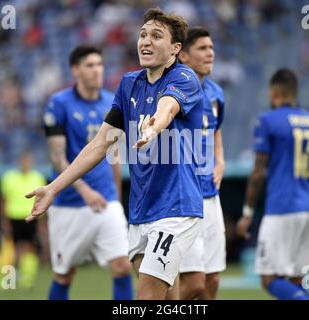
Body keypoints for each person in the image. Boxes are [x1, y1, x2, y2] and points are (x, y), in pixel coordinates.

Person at [25, 8, 205, 300]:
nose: (145, 41)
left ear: (175, 49)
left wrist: (153, 128)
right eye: (143, 34)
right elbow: (99, 145)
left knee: (146, 297)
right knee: (168, 296)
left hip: (177, 208)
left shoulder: (184, 77)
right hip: (141, 210)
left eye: (156, 36)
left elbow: (167, 107)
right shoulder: (128, 84)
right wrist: (53, 188)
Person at [235, 68, 309, 300]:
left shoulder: (267, 121)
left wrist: (248, 212)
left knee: (269, 278)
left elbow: (258, 172)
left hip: (283, 208)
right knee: (297, 279)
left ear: (275, 93)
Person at [43, 45, 133, 300]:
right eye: (90, 65)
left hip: (106, 201)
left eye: (100, 64)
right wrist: (84, 190)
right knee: (64, 274)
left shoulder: (111, 102)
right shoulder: (59, 103)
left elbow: (114, 156)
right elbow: (57, 157)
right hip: (69, 204)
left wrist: (116, 198)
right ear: (75, 70)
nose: (97, 70)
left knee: (123, 265)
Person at [177, 27, 226, 300]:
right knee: (193, 283)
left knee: (212, 280)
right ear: (183, 55)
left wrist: (221, 161)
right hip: (185, 195)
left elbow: (216, 131)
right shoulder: (176, 92)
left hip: (211, 193)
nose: (211, 53)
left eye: (212, 48)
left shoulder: (217, 93)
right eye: (203, 48)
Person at [0, 152, 46, 290]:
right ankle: (5, 280)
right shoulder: (8, 178)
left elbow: (42, 201)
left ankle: (26, 279)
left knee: (30, 248)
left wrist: (42, 222)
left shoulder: (38, 177)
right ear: (19, 162)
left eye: (28, 161)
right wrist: (4, 221)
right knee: (11, 249)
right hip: (13, 217)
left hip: (31, 218)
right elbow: (3, 200)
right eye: (24, 161)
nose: (26, 163)